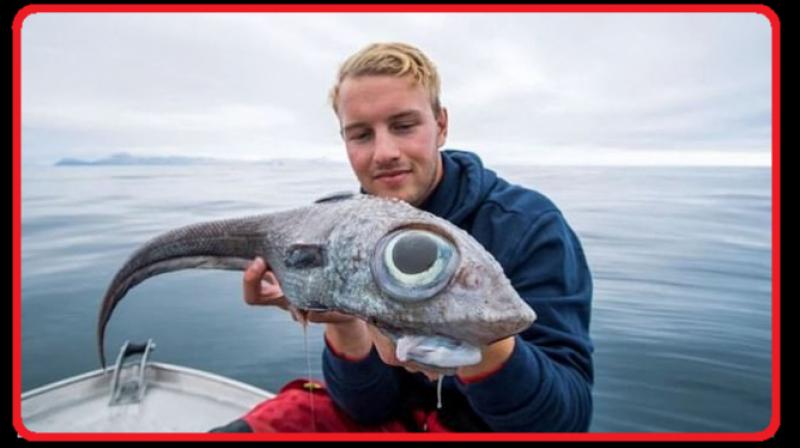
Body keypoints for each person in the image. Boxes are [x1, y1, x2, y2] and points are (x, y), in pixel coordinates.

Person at [211, 42, 593, 433]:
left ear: (441, 125)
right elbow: (367, 408)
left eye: (404, 126)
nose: (384, 152)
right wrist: (343, 323)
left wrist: (478, 337)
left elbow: (565, 422)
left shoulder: (529, 225)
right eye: (360, 135)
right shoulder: (340, 237)